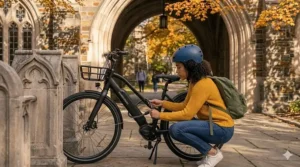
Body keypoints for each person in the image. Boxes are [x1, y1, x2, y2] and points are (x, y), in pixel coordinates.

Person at [149, 44, 234, 167]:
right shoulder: (195, 82)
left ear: (190, 66)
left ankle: (213, 153)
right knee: (180, 128)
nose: (177, 71)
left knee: (177, 129)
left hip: (222, 128)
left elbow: (187, 114)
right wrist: (163, 103)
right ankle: (209, 154)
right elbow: (184, 106)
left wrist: (160, 115)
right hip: (214, 125)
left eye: (179, 67)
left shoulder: (203, 84)